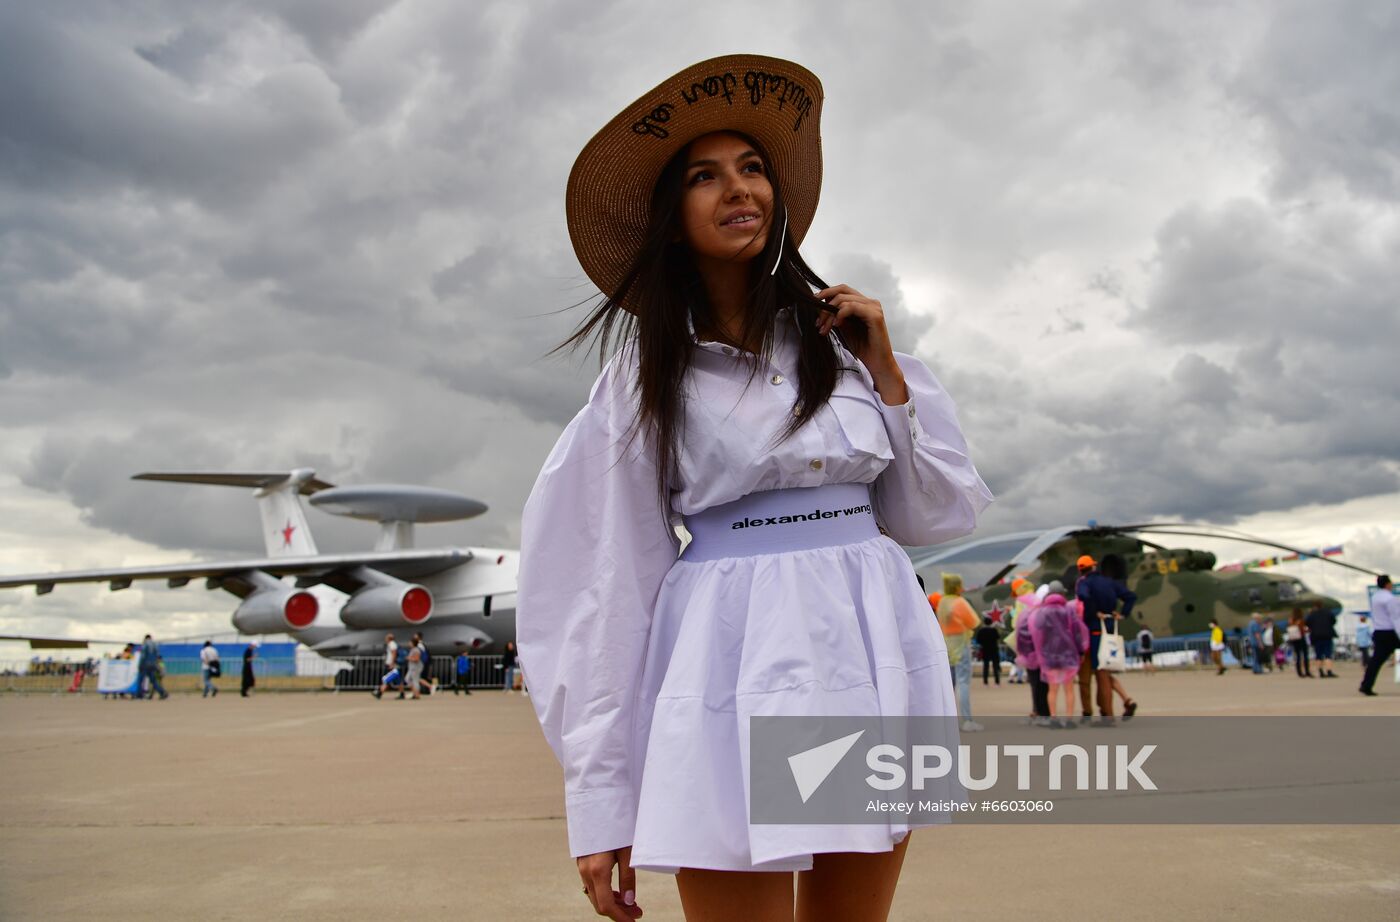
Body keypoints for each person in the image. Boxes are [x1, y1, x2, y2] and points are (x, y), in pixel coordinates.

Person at [515, 54, 993, 922]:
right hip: (730, 657)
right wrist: (601, 800)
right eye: (705, 176)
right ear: (669, 219)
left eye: (752, 167)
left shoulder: (845, 348)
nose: (740, 189)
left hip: (865, 643)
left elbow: (931, 514)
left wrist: (887, 373)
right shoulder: (642, 383)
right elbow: (599, 587)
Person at [1076, 554, 1137, 723]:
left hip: (1093, 632)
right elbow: (1131, 597)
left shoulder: (1084, 583)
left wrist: (1094, 612)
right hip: (1109, 633)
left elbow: (1083, 596)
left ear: (1080, 570)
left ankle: (1099, 714)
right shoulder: (1109, 582)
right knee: (1104, 674)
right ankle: (1108, 711)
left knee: (1094, 675)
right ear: (1093, 567)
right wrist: (1122, 613)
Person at [1031, 582, 1089, 729]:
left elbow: (1038, 632)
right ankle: (1069, 719)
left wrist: (1040, 652)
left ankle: (1054, 718)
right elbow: (1077, 632)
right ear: (1062, 593)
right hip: (1068, 653)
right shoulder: (1068, 610)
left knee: (1053, 689)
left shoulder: (1042, 612)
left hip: (1049, 655)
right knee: (1069, 689)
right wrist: (1081, 650)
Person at [938, 574, 984, 732]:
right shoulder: (959, 602)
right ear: (958, 586)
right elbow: (974, 622)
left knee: (949, 684)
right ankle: (967, 720)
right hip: (960, 643)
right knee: (963, 683)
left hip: (947, 644)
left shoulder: (942, 602)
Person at [1013, 587, 1050, 725]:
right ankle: (1043, 714)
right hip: (1040, 656)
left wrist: (1023, 653)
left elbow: (1019, 636)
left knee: (1035, 686)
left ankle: (1038, 712)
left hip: (1028, 656)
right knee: (1042, 687)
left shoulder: (1025, 613)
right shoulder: (1041, 614)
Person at [1360, 575, 1399, 697]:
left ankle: (1366, 685)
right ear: (1388, 584)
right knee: (1377, 660)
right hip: (1390, 632)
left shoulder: (1376, 597)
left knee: (1375, 661)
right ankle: (1366, 685)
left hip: (1379, 631)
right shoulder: (1390, 599)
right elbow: (1396, 618)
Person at [1305, 601, 1338, 678]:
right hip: (1327, 636)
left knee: (1318, 655)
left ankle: (1320, 671)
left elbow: (1307, 623)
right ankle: (1329, 671)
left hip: (1316, 637)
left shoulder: (1312, 614)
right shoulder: (1328, 613)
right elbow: (1334, 621)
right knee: (1328, 654)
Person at [139, 634, 168, 700]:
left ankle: (139, 694)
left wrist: (140, 664)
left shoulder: (145, 644)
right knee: (154, 681)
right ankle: (162, 692)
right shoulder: (155, 644)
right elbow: (157, 655)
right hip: (153, 665)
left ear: (146, 638)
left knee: (140, 680)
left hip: (145, 665)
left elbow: (143, 656)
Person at [975, 616, 1002, 686]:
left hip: (985, 650)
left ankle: (985, 682)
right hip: (994, 650)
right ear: (991, 622)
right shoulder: (994, 630)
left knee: (985, 666)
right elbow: (998, 637)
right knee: (995, 666)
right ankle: (997, 682)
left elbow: (978, 640)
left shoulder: (981, 631)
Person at [373, 633, 401, 700]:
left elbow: (394, 653)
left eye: (386, 638)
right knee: (398, 680)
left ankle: (380, 692)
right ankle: (402, 693)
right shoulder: (391, 644)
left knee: (386, 679)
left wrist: (392, 663)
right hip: (392, 664)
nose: (385, 639)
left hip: (391, 665)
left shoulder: (392, 644)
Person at [1285, 609, 1311, 677]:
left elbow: (1288, 628)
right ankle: (1307, 671)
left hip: (1294, 639)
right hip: (1301, 638)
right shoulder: (1301, 620)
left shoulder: (1290, 620)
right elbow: (1304, 630)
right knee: (1305, 655)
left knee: (1298, 656)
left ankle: (1299, 672)